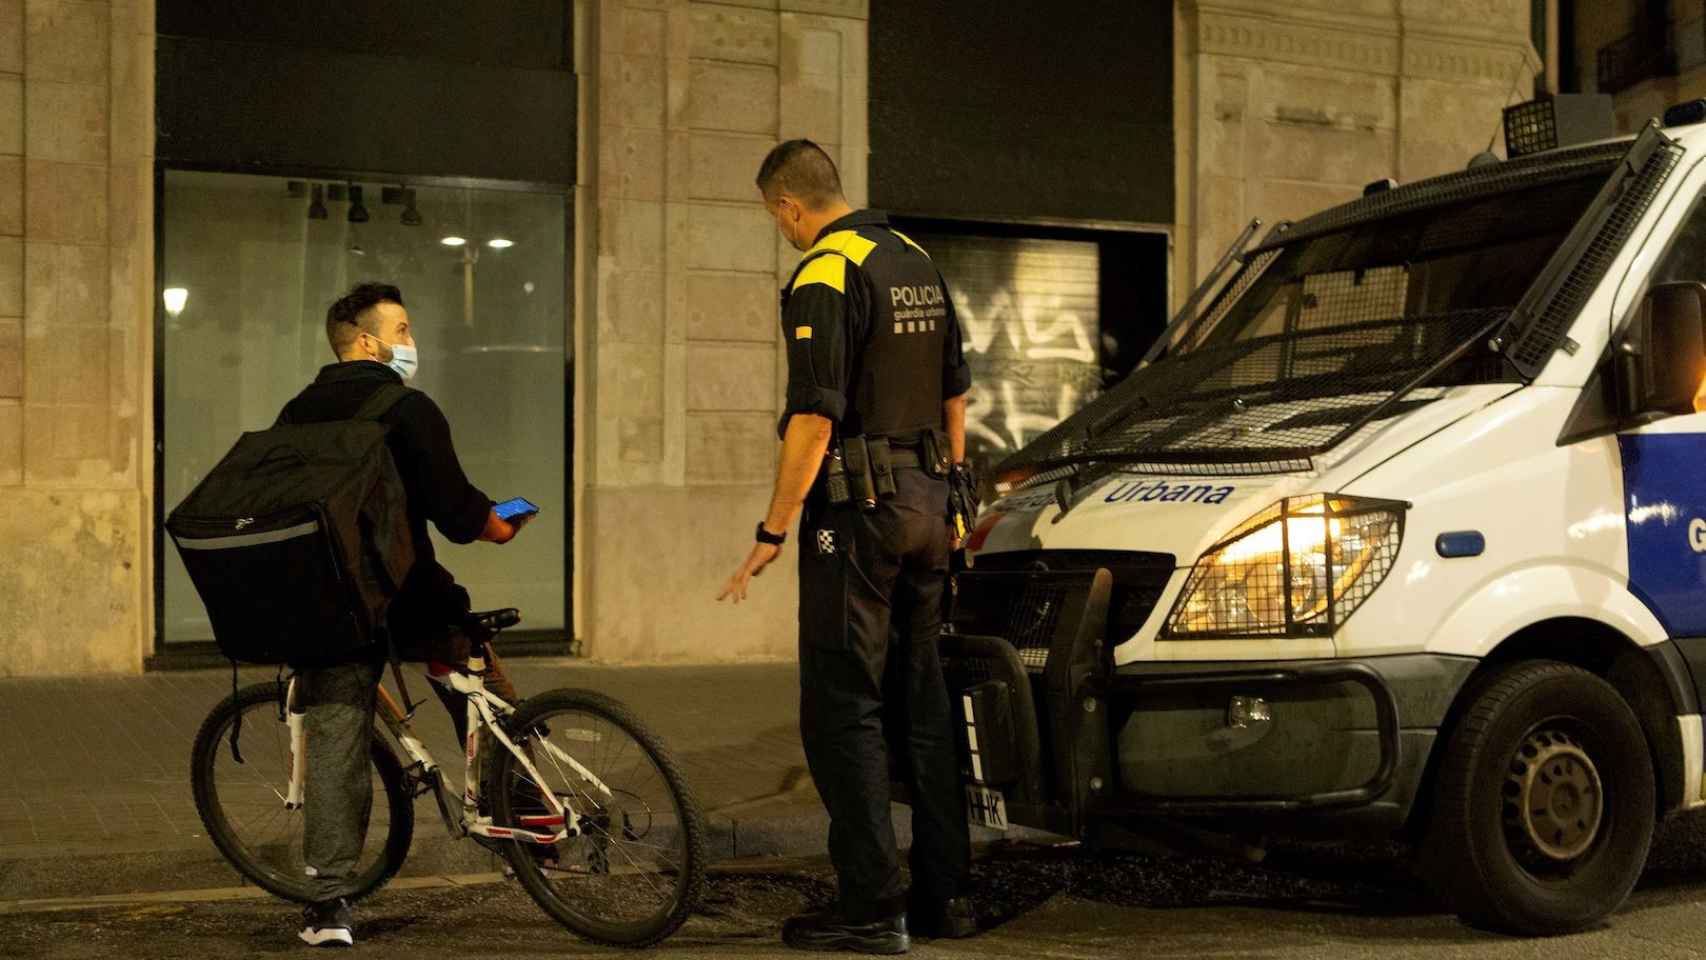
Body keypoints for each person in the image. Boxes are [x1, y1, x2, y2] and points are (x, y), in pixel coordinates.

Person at [717, 140, 977, 955]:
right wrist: (954, 488)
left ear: (788, 206)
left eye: (777, 220)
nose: (783, 232)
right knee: (923, 698)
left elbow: (815, 416)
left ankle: (870, 905)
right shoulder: (914, 257)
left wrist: (774, 526)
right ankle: (949, 896)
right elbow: (957, 392)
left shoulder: (826, 272)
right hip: (933, 502)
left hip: (859, 513)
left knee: (842, 704)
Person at [277, 282, 528, 947]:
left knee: (337, 732)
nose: (411, 343)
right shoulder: (407, 406)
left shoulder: (297, 412)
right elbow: (456, 511)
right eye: (404, 329)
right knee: (478, 679)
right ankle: (522, 819)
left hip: (333, 602)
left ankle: (328, 904)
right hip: (408, 591)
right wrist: (500, 526)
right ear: (368, 342)